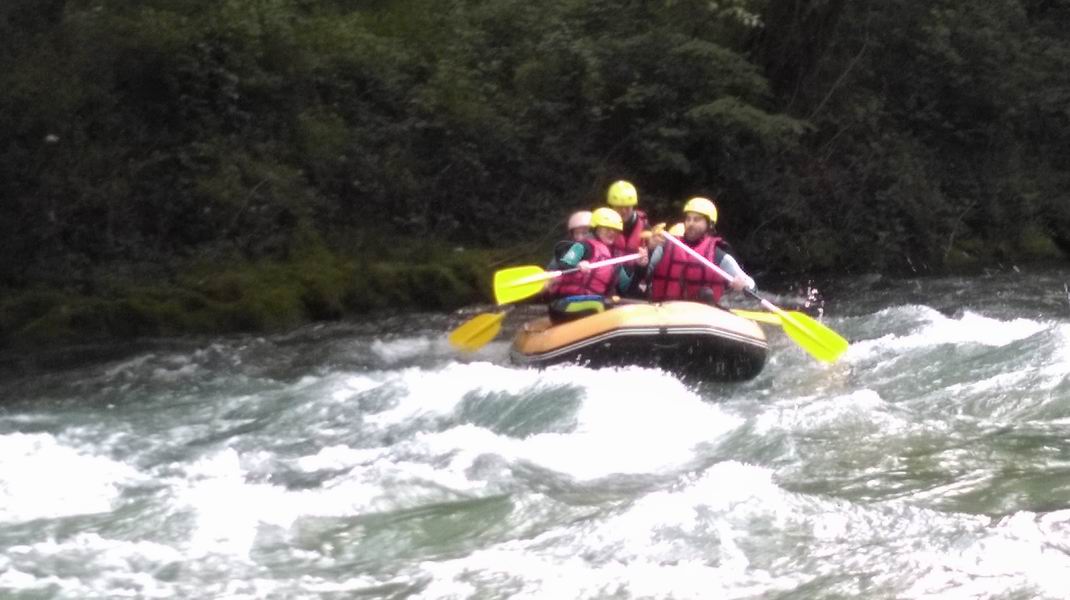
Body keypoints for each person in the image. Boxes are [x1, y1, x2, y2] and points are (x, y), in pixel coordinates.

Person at [546, 208, 648, 323]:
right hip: (564, 304)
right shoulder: (583, 246)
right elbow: (565, 263)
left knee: (616, 305)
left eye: (615, 230)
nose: (612, 233)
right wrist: (577, 264)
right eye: (607, 229)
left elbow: (626, 288)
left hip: (589, 303)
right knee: (603, 305)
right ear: (596, 229)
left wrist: (640, 266)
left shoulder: (611, 258)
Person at [647, 197, 754, 305]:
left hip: (701, 313)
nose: (690, 223)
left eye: (697, 219)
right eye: (688, 219)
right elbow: (644, 274)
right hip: (665, 310)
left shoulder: (718, 255)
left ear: (710, 224)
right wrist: (649, 251)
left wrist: (744, 285)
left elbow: (751, 284)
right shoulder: (664, 247)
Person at [607, 180, 651, 297]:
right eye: (619, 207)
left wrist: (643, 264)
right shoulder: (604, 226)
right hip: (610, 280)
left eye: (627, 207)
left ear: (633, 206)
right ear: (612, 207)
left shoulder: (645, 227)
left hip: (636, 279)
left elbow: (650, 264)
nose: (623, 211)